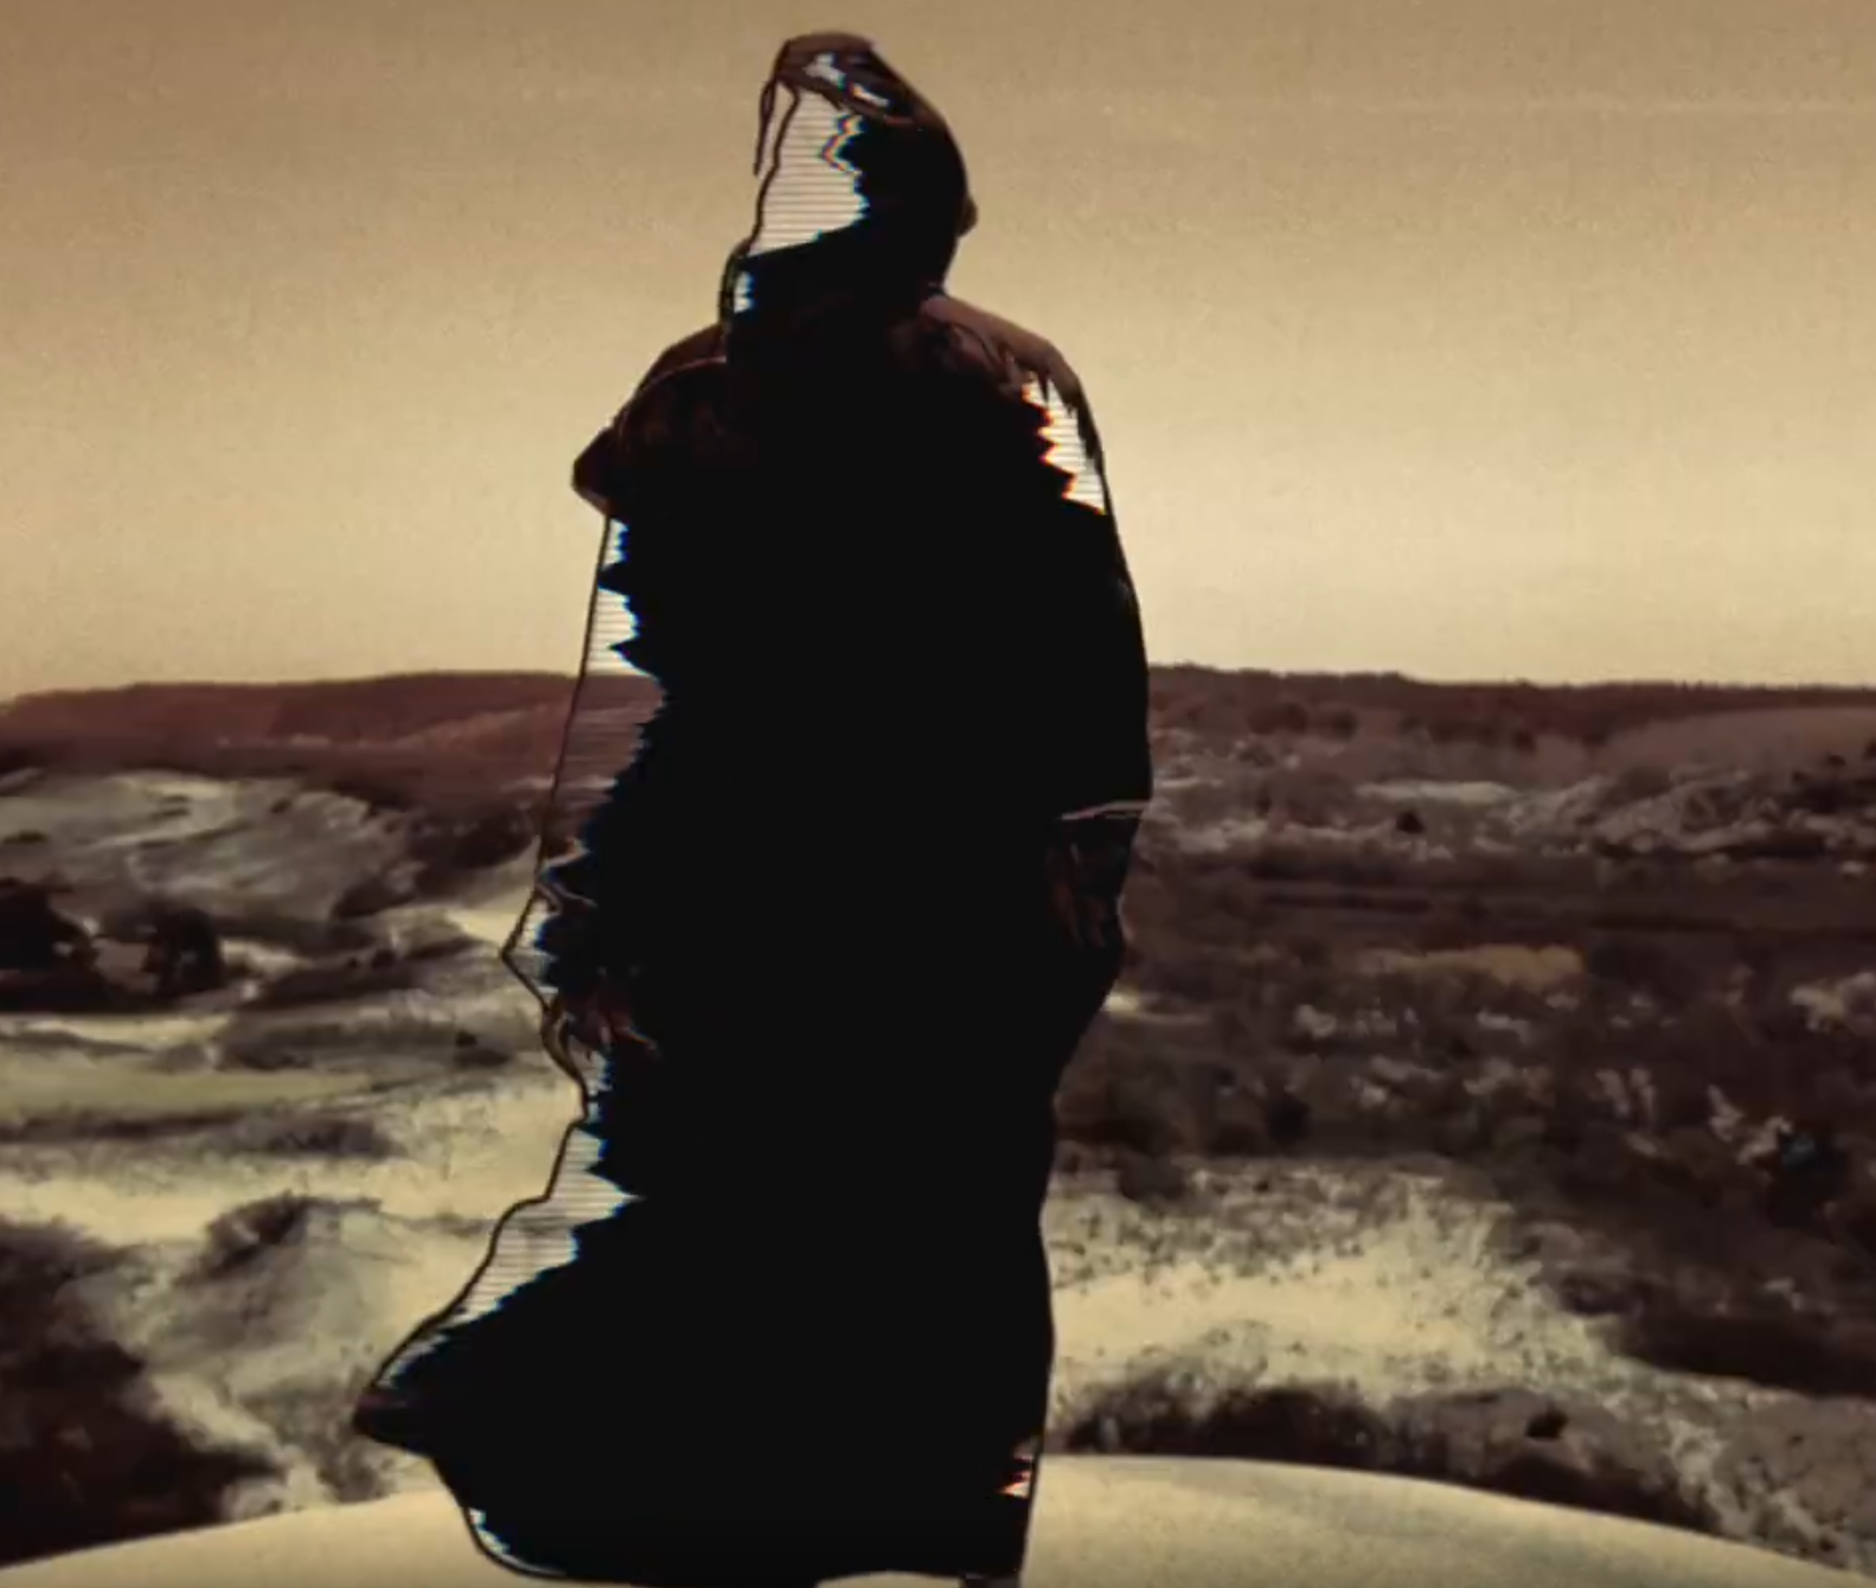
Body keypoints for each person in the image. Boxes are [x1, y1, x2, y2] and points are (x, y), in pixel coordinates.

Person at [349, 32, 1151, 1588]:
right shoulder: (889, 381)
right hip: (842, 892)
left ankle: (829, 1526)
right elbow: (652, 667)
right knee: (827, 1231)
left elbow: (1066, 675)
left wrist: (593, 900)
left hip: (864, 890)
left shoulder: (914, 382)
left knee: (846, 1229)